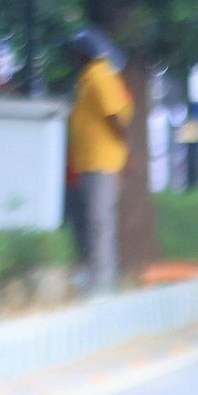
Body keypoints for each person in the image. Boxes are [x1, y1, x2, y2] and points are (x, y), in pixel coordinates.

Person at [64, 32, 135, 285]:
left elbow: (115, 116)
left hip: (101, 161)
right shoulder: (89, 77)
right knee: (97, 219)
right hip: (92, 161)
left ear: (85, 54)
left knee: (99, 220)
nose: (70, 57)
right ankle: (100, 276)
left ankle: (103, 280)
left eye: (74, 52)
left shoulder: (99, 75)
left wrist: (127, 151)